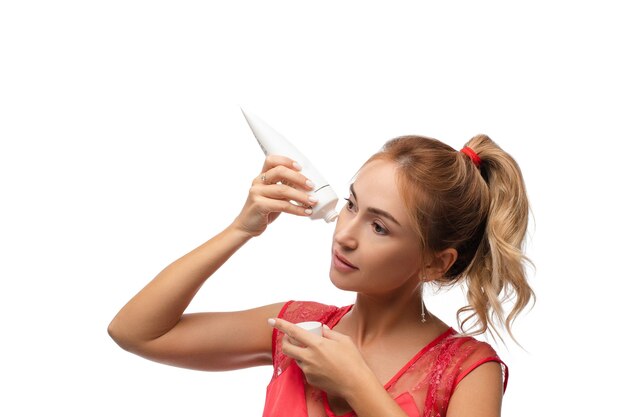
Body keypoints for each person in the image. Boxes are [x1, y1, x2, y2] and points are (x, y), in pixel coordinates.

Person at [108, 134, 534, 417]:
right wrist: (240, 229)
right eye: (352, 205)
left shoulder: (469, 370)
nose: (345, 235)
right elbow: (137, 332)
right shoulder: (296, 329)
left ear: (435, 263)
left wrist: (357, 385)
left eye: (379, 226)